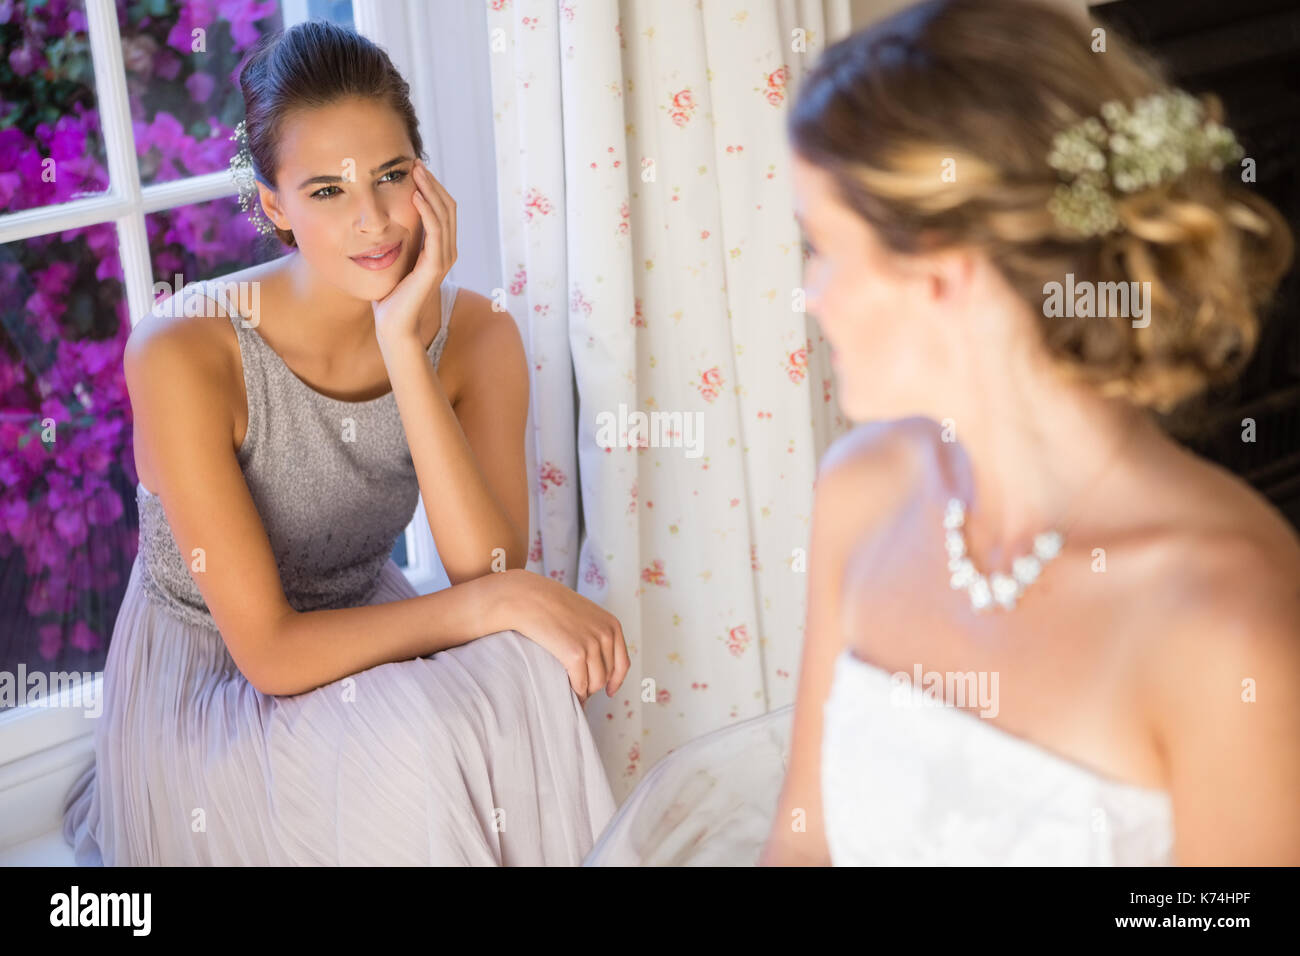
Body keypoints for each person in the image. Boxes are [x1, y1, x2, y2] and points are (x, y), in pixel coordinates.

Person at [583, 0, 1299, 866]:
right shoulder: (861, 491)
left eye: (825, 247)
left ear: (947, 275)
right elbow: (801, 844)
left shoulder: (1227, 614)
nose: (810, 293)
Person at [62, 21, 627, 866]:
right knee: (422, 743)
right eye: (326, 191)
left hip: (361, 624)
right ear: (272, 206)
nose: (372, 222)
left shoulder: (476, 335)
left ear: (426, 177)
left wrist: (405, 346)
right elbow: (274, 653)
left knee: (525, 678)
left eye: (392, 176)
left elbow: (489, 571)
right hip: (216, 678)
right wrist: (490, 606)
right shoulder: (185, 350)